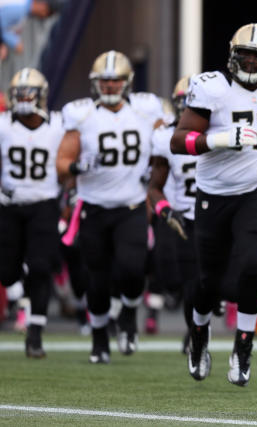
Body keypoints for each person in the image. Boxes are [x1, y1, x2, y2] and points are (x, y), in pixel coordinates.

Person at [170, 23, 257, 385]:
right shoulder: (212, 88)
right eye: (244, 53)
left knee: (253, 264)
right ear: (232, 54)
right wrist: (218, 139)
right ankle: (199, 331)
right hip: (214, 193)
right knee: (208, 280)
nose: (249, 60)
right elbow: (178, 140)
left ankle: (244, 342)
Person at [56, 50, 164, 364]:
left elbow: (164, 145)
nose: (110, 85)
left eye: (116, 79)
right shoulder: (82, 115)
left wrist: (155, 170)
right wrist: (79, 167)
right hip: (94, 207)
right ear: (95, 83)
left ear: (127, 82)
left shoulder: (145, 111)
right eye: (104, 80)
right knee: (97, 279)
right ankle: (100, 337)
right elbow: (61, 163)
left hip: (130, 205)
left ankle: (129, 312)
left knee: (132, 270)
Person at [0, 67, 64, 357]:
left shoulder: (58, 125)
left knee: (40, 268)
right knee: (6, 271)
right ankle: (18, 294)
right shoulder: (3, 125)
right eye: (20, 93)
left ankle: (35, 334)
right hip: (9, 206)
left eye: (29, 92)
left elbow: (70, 160)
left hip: (43, 204)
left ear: (42, 95)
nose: (24, 97)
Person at [147, 75, 197, 350]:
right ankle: (194, 326)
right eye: (184, 103)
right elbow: (155, 183)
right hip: (179, 214)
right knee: (176, 275)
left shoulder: (218, 132)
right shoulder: (165, 136)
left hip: (213, 214)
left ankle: (198, 326)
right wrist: (164, 210)